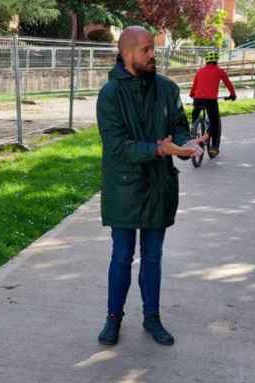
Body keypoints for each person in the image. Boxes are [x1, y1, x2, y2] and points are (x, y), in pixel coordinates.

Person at [95, 27, 207, 347]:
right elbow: (118, 149)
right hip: (124, 190)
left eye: (152, 48)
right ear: (127, 53)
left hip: (159, 188)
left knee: (153, 257)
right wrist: (159, 150)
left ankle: (152, 317)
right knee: (121, 255)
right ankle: (113, 318)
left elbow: (179, 130)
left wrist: (188, 145)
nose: (152, 55)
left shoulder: (167, 89)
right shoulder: (111, 95)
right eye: (145, 49)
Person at [189, 50, 236, 158]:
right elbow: (228, 83)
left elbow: (194, 86)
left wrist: (192, 94)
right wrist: (232, 94)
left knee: (195, 117)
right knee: (214, 123)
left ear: (206, 61)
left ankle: (194, 131)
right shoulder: (219, 71)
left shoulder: (200, 71)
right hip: (210, 101)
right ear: (216, 61)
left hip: (198, 99)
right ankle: (214, 147)